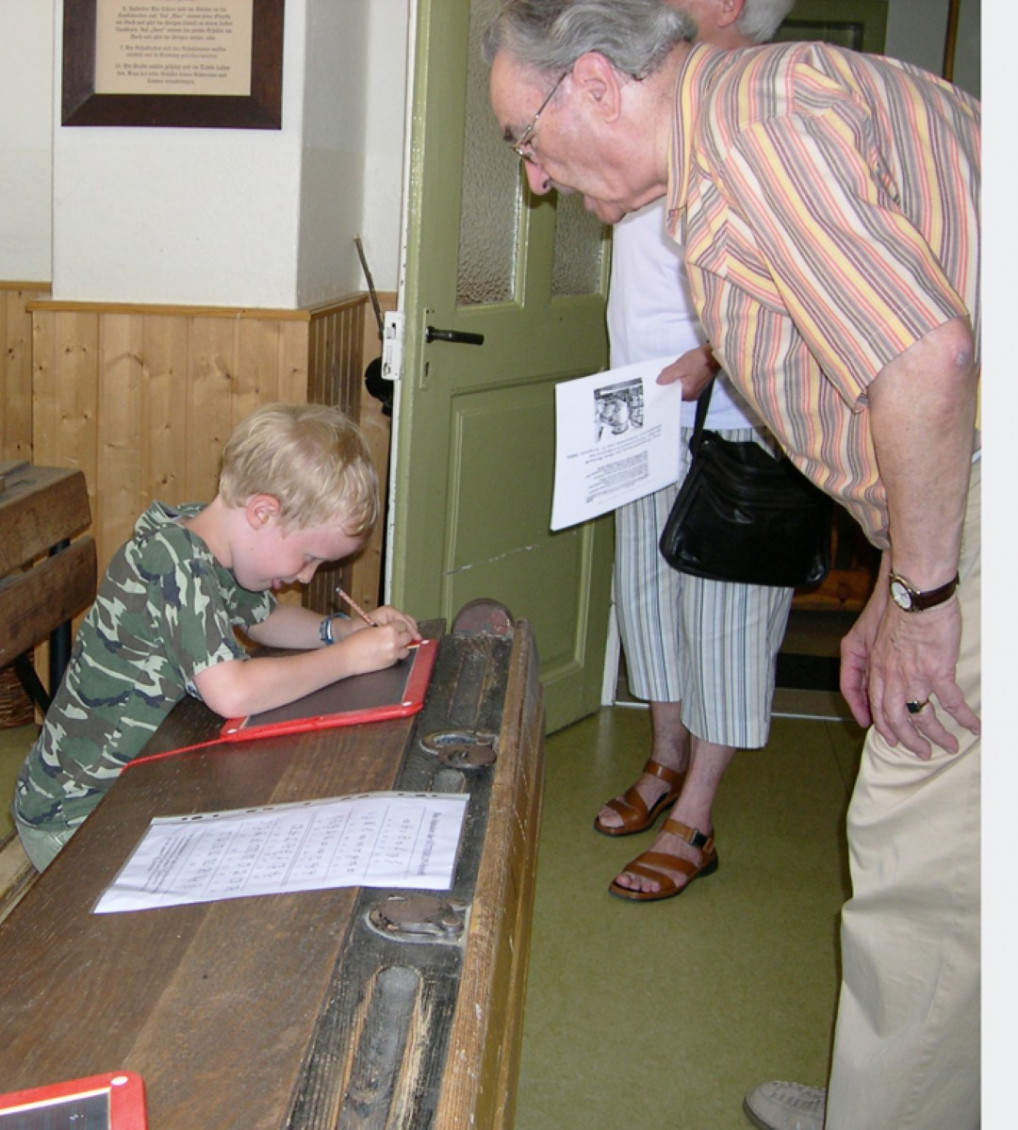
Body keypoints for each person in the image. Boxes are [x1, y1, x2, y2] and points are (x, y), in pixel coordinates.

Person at [483, 4, 980, 1129]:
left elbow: (928, 359)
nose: (534, 180)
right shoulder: (741, 131)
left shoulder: (753, 136)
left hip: (982, 477)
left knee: (927, 864)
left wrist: (925, 595)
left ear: (597, 84)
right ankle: (903, 1091)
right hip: (958, 484)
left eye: (526, 136)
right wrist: (902, 575)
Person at [12, 402, 421, 873]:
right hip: (74, 815)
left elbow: (263, 621)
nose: (306, 578)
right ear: (263, 513)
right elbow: (232, 692)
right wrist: (348, 659)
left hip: (138, 782)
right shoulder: (171, 561)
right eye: (308, 557)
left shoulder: (211, 546)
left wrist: (340, 630)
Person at [595, 0, 796, 905]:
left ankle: (697, 817)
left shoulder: (768, 106)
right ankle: (665, 757)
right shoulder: (657, 97)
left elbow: (805, 272)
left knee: (725, 626)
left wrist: (715, 355)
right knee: (649, 600)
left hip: (736, 418)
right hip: (642, 411)